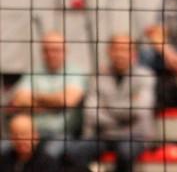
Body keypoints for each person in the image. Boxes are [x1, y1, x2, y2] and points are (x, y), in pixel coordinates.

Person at [68, 34, 155, 172]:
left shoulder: (145, 75)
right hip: (103, 135)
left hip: (134, 135)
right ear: (109, 51)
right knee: (74, 152)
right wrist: (123, 114)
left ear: (134, 53)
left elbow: (139, 110)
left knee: (125, 153)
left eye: (125, 49)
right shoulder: (98, 76)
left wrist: (106, 107)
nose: (120, 54)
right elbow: (91, 112)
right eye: (116, 49)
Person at [8, 31, 87, 159]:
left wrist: (35, 99)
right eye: (46, 50)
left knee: (48, 155)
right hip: (32, 133)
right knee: (5, 149)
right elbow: (18, 100)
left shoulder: (76, 72)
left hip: (63, 134)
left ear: (65, 51)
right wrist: (54, 104)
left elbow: (67, 101)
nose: (51, 54)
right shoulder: (34, 71)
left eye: (56, 50)